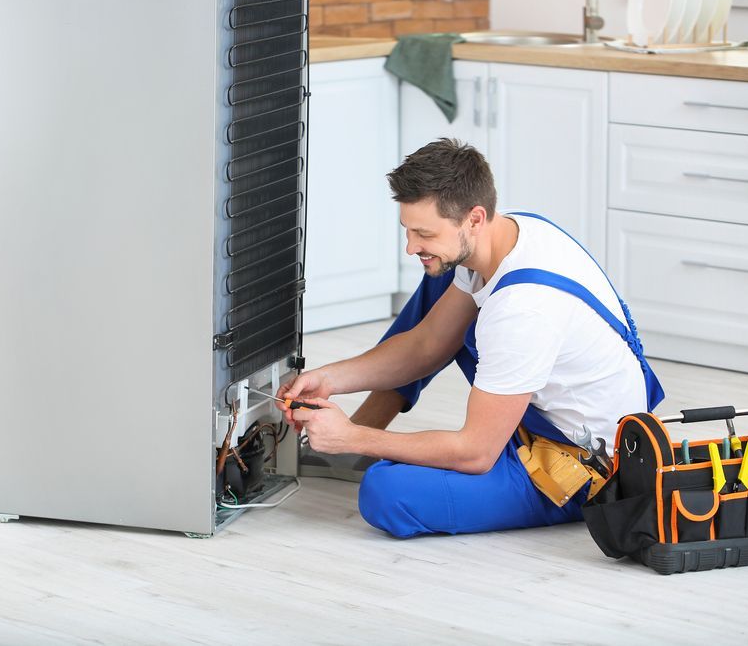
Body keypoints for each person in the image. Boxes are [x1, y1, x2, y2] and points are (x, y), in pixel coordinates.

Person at [276, 138, 664, 539]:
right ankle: (355, 438)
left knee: (386, 492)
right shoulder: (508, 233)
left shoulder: (522, 310)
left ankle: (351, 440)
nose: (410, 247)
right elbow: (426, 343)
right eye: (407, 231)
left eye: (423, 233)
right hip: (545, 417)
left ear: (474, 218)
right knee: (437, 282)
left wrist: (355, 438)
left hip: (583, 463)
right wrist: (330, 379)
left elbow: (476, 453)